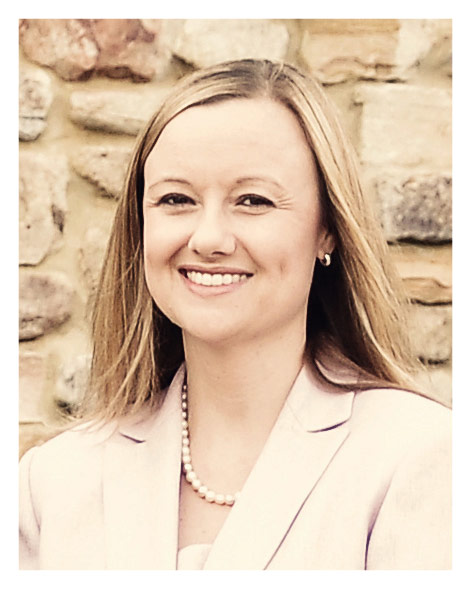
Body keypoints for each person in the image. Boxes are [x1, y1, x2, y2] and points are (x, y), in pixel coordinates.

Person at [19, 59, 451, 570]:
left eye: (253, 200)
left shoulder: (423, 458)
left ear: (327, 229)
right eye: (176, 199)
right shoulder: (54, 481)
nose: (207, 239)